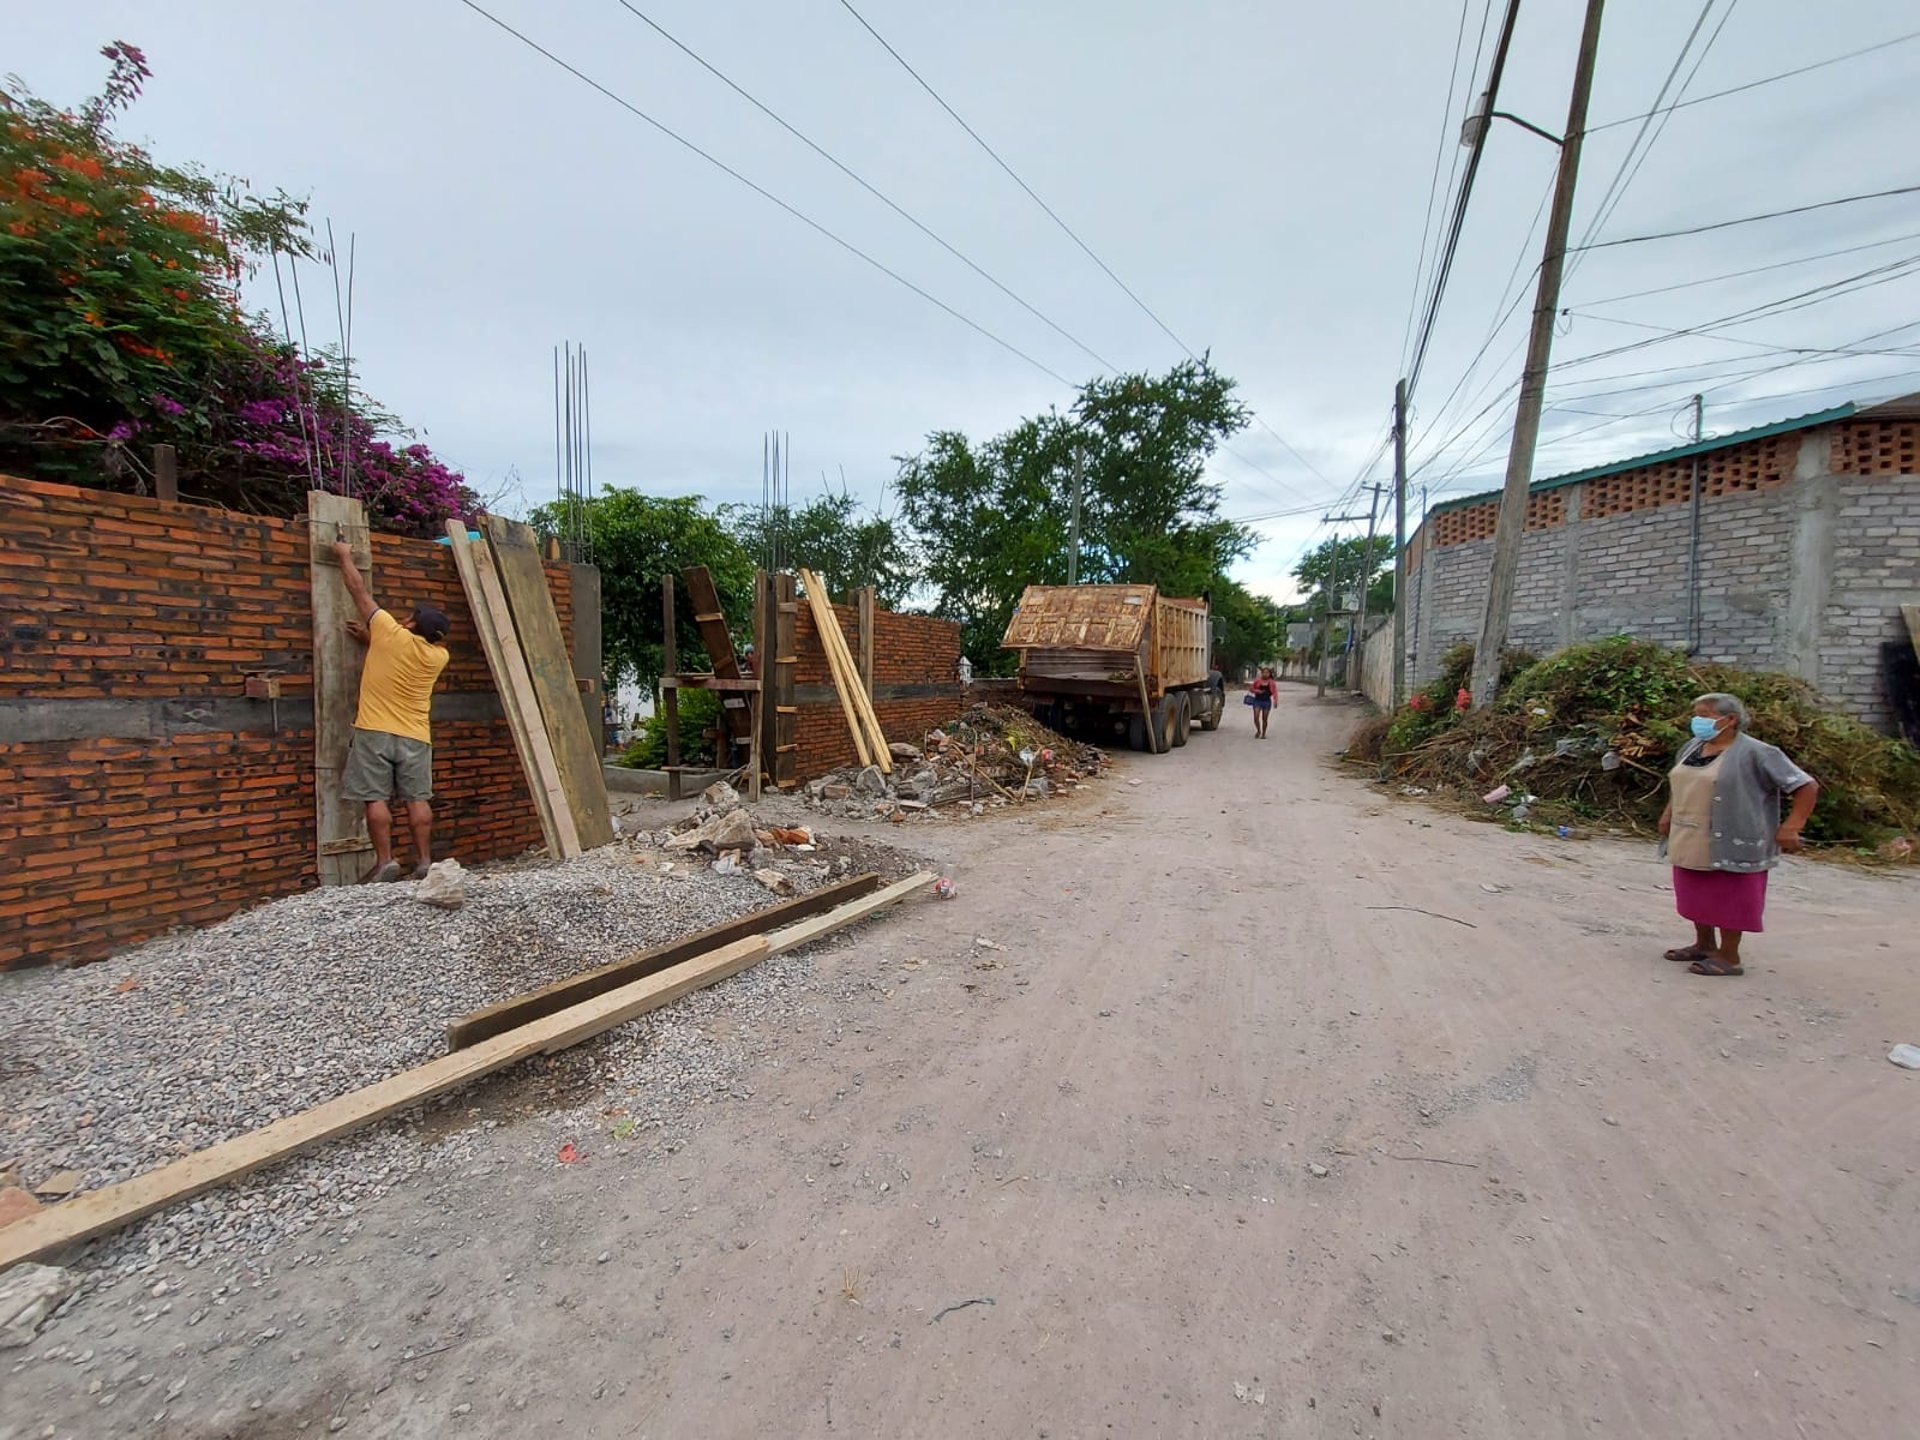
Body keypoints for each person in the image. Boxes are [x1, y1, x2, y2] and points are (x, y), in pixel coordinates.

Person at [1658, 692, 1819, 977]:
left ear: (1730, 719)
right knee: (1695, 891)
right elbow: (1681, 782)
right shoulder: (1692, 748)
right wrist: (1668, 814)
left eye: (1705, 715)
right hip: (1690, 834)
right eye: (1696, 715)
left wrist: (1792, 826)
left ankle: (1729, 956)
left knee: (1730, 894)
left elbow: (1805, 786)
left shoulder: (1758, 752)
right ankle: (1704, 944)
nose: (1698, 721)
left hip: (1734, 834)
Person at [331, 540, 452, 883]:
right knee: (418, 799)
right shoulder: (438, 657)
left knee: (375, 798)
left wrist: (343, 554)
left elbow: (357, 588)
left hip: (374, 731)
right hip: (415, 736)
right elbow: (406, 653)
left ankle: (385, 861)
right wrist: (372, 640)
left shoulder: (388, 630)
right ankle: (425, 861)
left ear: (412, 625)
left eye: (412, 616)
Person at [1245, 665, 1279, 738]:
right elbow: (1251, 689)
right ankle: (1258, 730)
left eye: (1267, 673)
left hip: (1267, 702)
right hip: (1257, 701)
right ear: (1261, 673)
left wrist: (1275, 701)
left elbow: (1275, 692)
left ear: (1270, 674)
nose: (1265, 674)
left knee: (1265, 719)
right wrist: (1258, 691)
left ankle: (1263, 733)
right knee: (1256, 717)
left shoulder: (1272, 682)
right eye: (1264, 672)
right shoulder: (1258, 681)